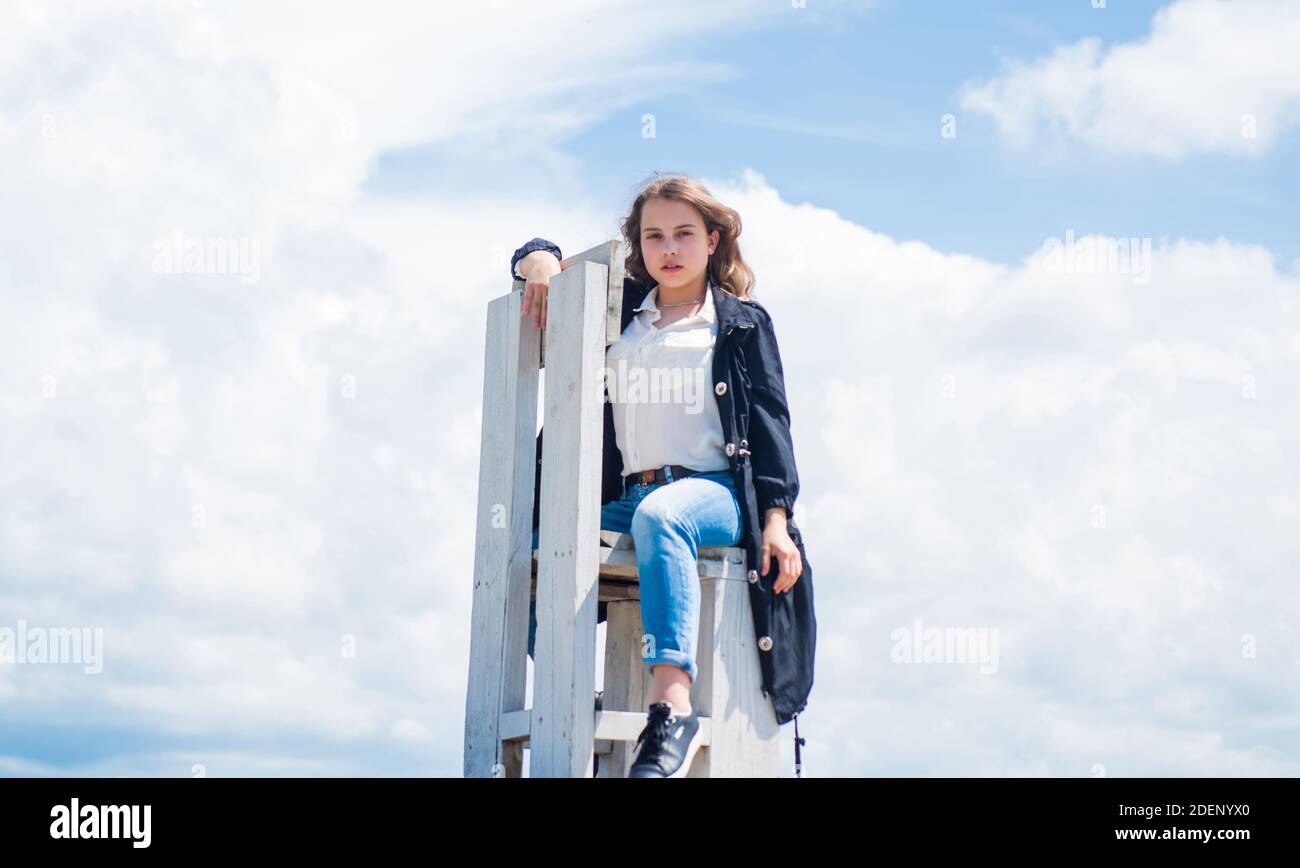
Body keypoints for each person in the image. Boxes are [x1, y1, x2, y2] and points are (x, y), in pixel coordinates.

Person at [511, 173, 814, 778]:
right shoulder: (620, 312)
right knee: (542, 553)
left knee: (664, 514)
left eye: (683, 234)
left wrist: (777, 522)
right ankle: (572, 700)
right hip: (636, 491)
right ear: (638, 246)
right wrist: (539, 262)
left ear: (713, 239)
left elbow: (771, 422)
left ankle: (669, 707)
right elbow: (529, 257)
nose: (668, 249)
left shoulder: (740, 324)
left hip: (717, 492)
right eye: (654, 237)